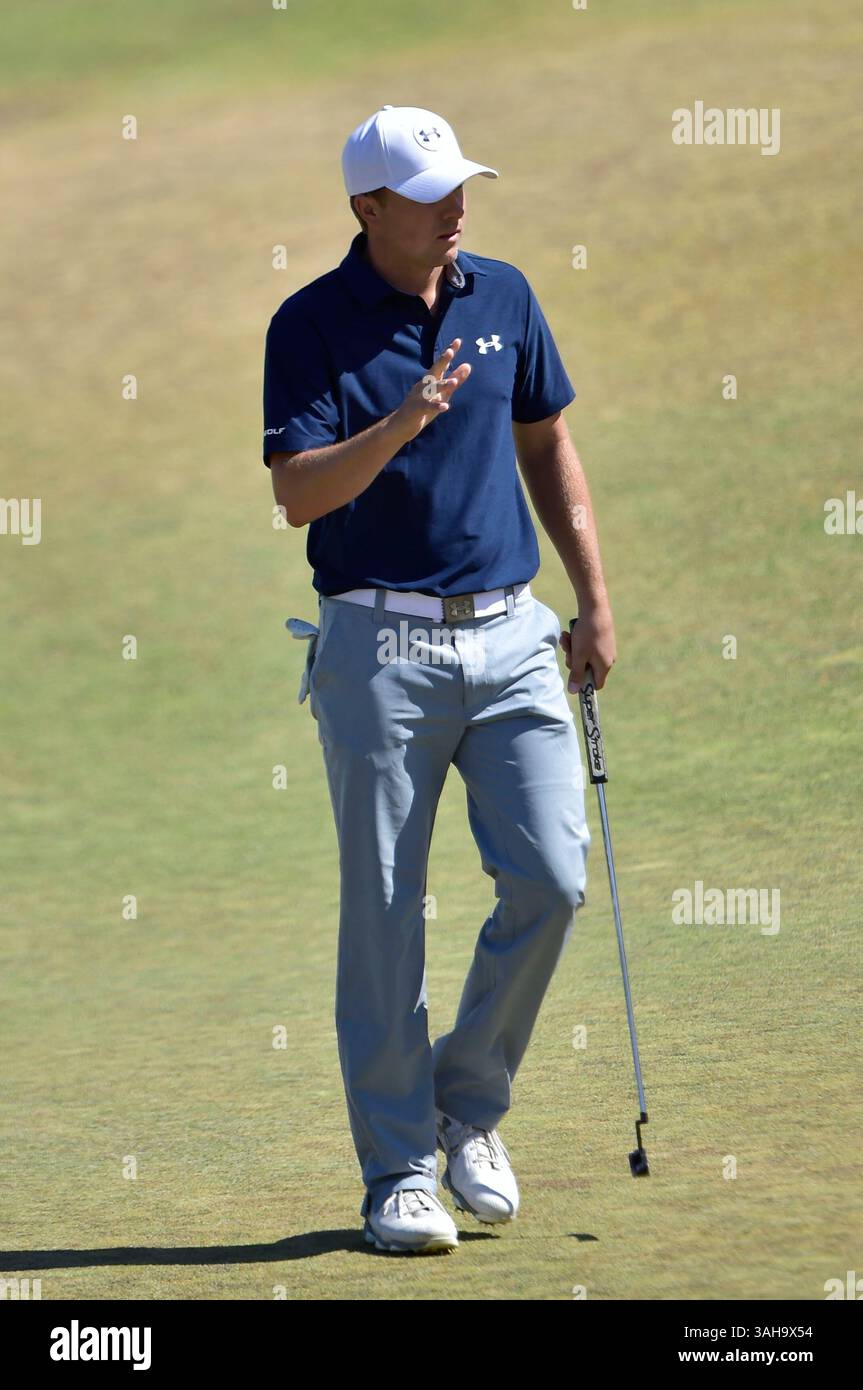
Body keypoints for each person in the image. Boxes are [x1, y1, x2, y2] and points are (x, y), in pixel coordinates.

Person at [262, 105, 616, 1255]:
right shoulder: (308, 323)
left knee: (553, 878)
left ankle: (467, 1109)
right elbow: (299, 494)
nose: (455, 206)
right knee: (383, 911)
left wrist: (592, 599)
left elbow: (545, 442)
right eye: (427, 193)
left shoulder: (502, 294)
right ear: (368, 210)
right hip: (377, 647)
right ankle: (397, 1171)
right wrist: (402, 423)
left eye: (460, 184)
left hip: (512, 634)